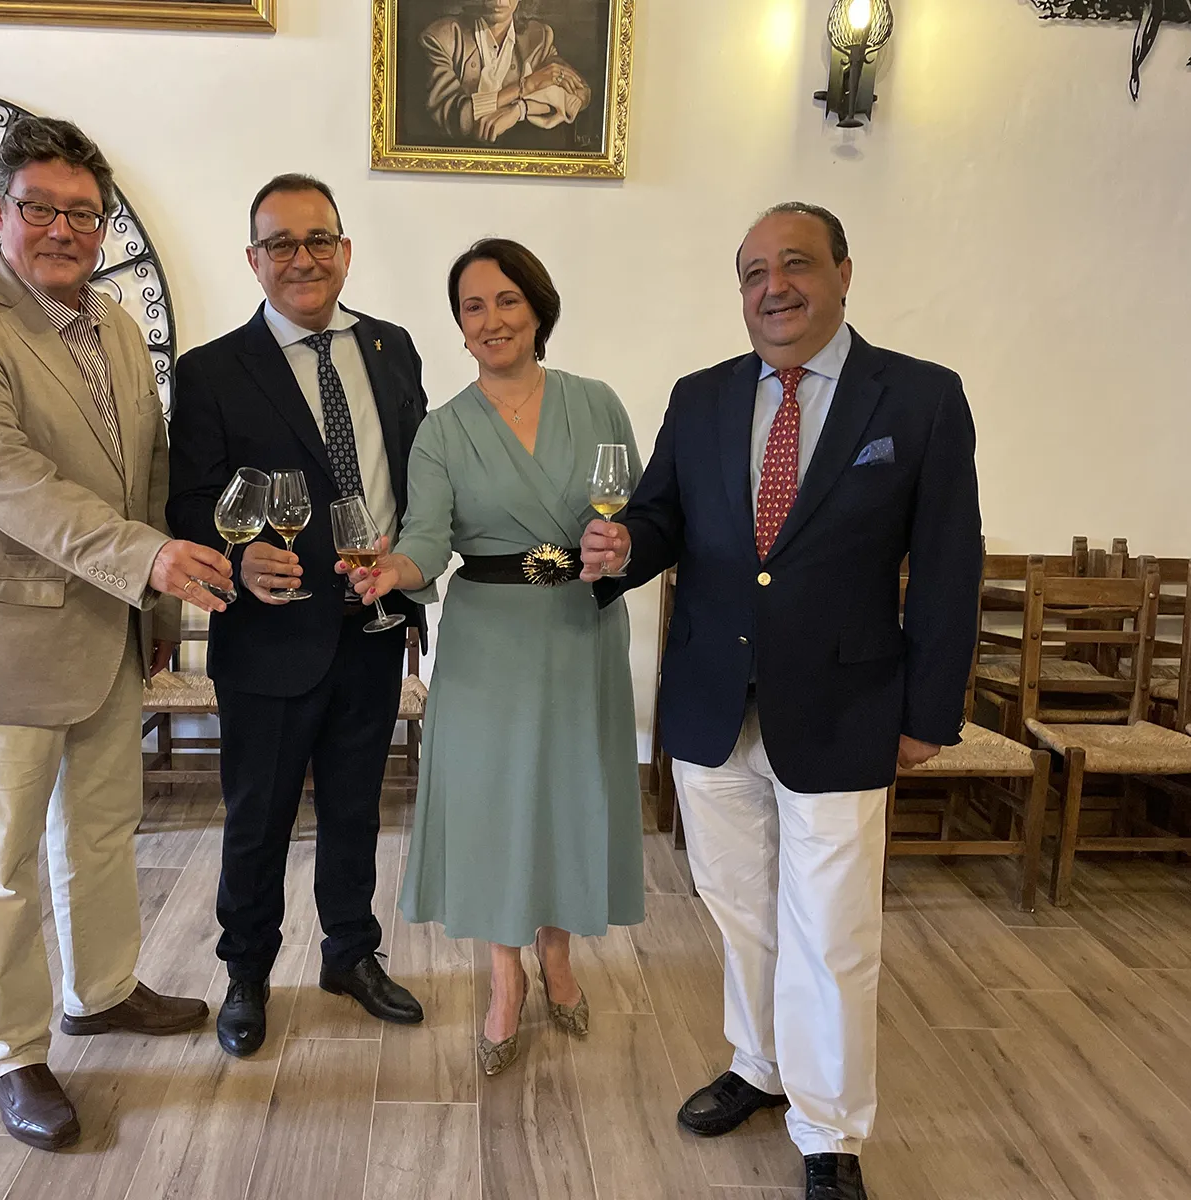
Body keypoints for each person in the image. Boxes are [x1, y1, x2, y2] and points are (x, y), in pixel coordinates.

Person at [583, 203, 983, 1200]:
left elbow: (945, 565)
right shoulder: (703, 395)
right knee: (739, 910)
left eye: (795, 264)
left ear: (844, 271)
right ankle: (759, 1067)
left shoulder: (921, 399)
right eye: (752, 271)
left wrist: (929, 713)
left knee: (832, 927)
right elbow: (660, 515)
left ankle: (831, 1131)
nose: (773, 287)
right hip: (715, 702)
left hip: (847, 707)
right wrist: (627, 547)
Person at [0, 115, 234, 1152]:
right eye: (39, 207)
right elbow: (7, 482)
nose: (62, 229)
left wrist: (160, 611)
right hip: (0, 643)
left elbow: (146, 479)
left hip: (111, 637)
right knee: (1, 862)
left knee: (97, 832)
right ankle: (15, 1049)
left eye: (82, 213)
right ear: (0, 210)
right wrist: (146, 562)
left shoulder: (120, 329)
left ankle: (104, 989)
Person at [344, 238, 644, 1077]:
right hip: (486, 640)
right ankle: (505, 978)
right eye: (473, 306)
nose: (492, 319)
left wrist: (620, 543)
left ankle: (559, 958)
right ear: (460, 328)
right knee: (495, 808)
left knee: (563, 797)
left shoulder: (598, 403)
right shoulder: (441, 431)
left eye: (507, 300)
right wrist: (389, 571)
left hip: (580, 631)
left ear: (538, 308)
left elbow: (639, 517)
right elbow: (426, 543)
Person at [168, 174, 428, 1059]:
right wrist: (235, 554)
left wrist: (412, 567)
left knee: (357, 810)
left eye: (319, 240)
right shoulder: (209, 371)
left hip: (370, 626)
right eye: (280, 243)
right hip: (271, 637)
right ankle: (246, 974)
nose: (302, 258)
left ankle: (351, 956)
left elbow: (415, 476)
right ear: (253, 260)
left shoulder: (394, 350)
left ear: (346, 251)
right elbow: (191, 498)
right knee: (260, 817)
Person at [422, 0, 592, 144]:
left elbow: (579, 93)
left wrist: (520, 109)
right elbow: (455, 117)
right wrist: (525, 86)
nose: (499, 1)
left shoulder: (538, 37)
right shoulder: (441, 37)